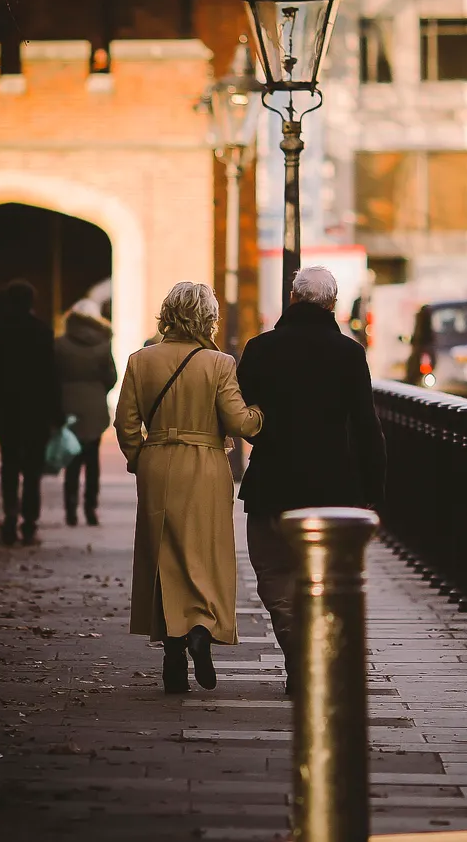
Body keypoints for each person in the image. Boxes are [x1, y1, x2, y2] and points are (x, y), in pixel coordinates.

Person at [237, 266, 386, 694]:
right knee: (323, 579)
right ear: (333, 304)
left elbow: (241, 411)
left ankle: (298, 653)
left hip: (273, 483)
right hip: (332, 489)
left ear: (292, 298)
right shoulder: (349, 353)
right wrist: (373, 488)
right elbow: (365, 424)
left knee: (273, 574)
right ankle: (312, 656)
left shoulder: (260, 349)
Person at [114, 283, 263, 694]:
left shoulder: (140, 360)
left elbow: (125, 424)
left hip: (158, 461)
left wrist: (139, 459)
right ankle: (201, 628)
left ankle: (172, 653)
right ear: (207, 318)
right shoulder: (219, 363)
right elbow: (239, 422)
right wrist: (261, 414)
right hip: (206, 465)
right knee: (205, 554)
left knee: (163, 554)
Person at [0, 280, 63, 546]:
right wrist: (57, 413)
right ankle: (29, 523)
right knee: (33, 470)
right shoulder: (42, 332)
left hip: (6, 409)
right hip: (36, 411)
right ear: (31, 302)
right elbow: (51, 376)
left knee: (9, 465)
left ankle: (10, 517)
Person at [55, 299, 118, 527]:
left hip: (68, 405)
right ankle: (91, 508)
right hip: (94, 407)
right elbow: (111, 376)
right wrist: (98, 391)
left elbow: (53, 376)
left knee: (71, 458)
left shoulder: (60, 344)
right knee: (92, 461)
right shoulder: (102, 344)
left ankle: (70, 509)